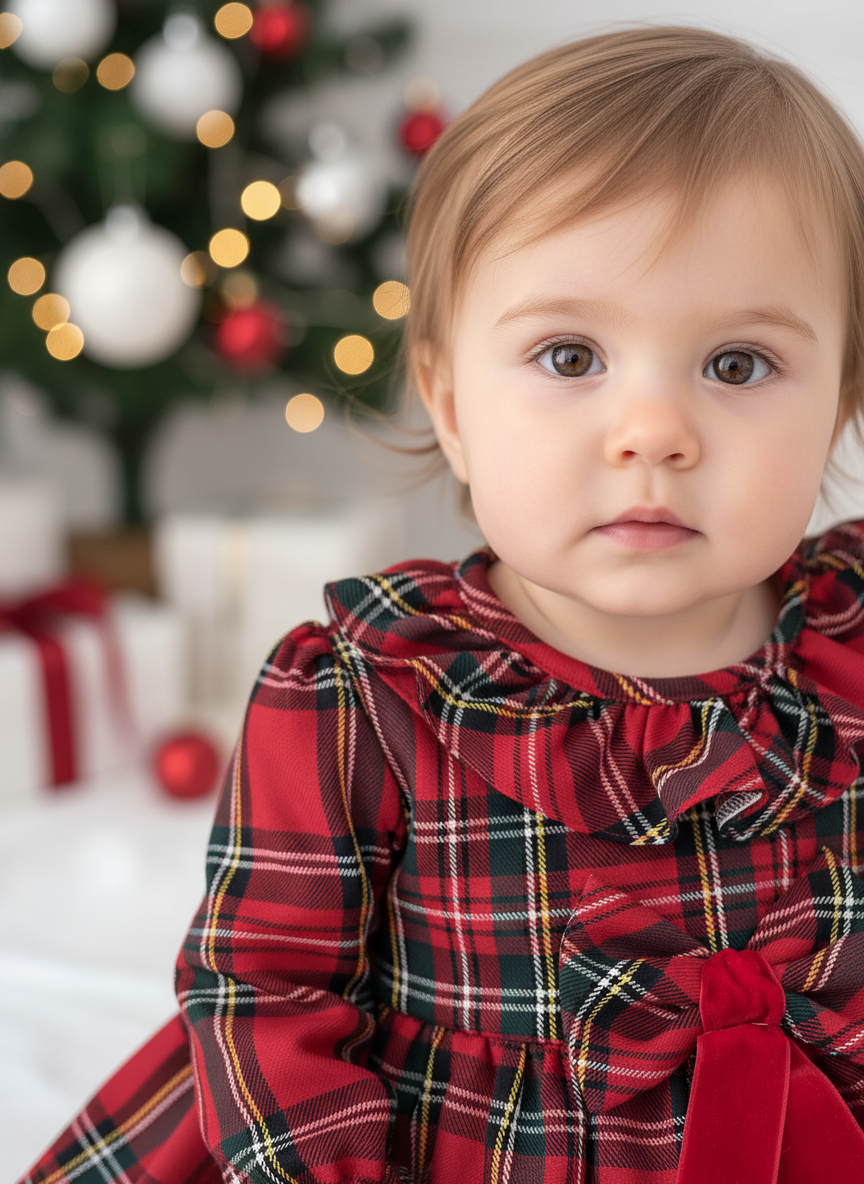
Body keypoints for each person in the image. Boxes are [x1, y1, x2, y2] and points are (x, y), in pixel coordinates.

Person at [23, 24, 864, 1184]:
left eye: (738, 365)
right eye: (570, 357)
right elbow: (266, 988)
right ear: (452, 399)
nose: (655, 432)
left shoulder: (848, 652)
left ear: (838, 401)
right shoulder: (366, 690)